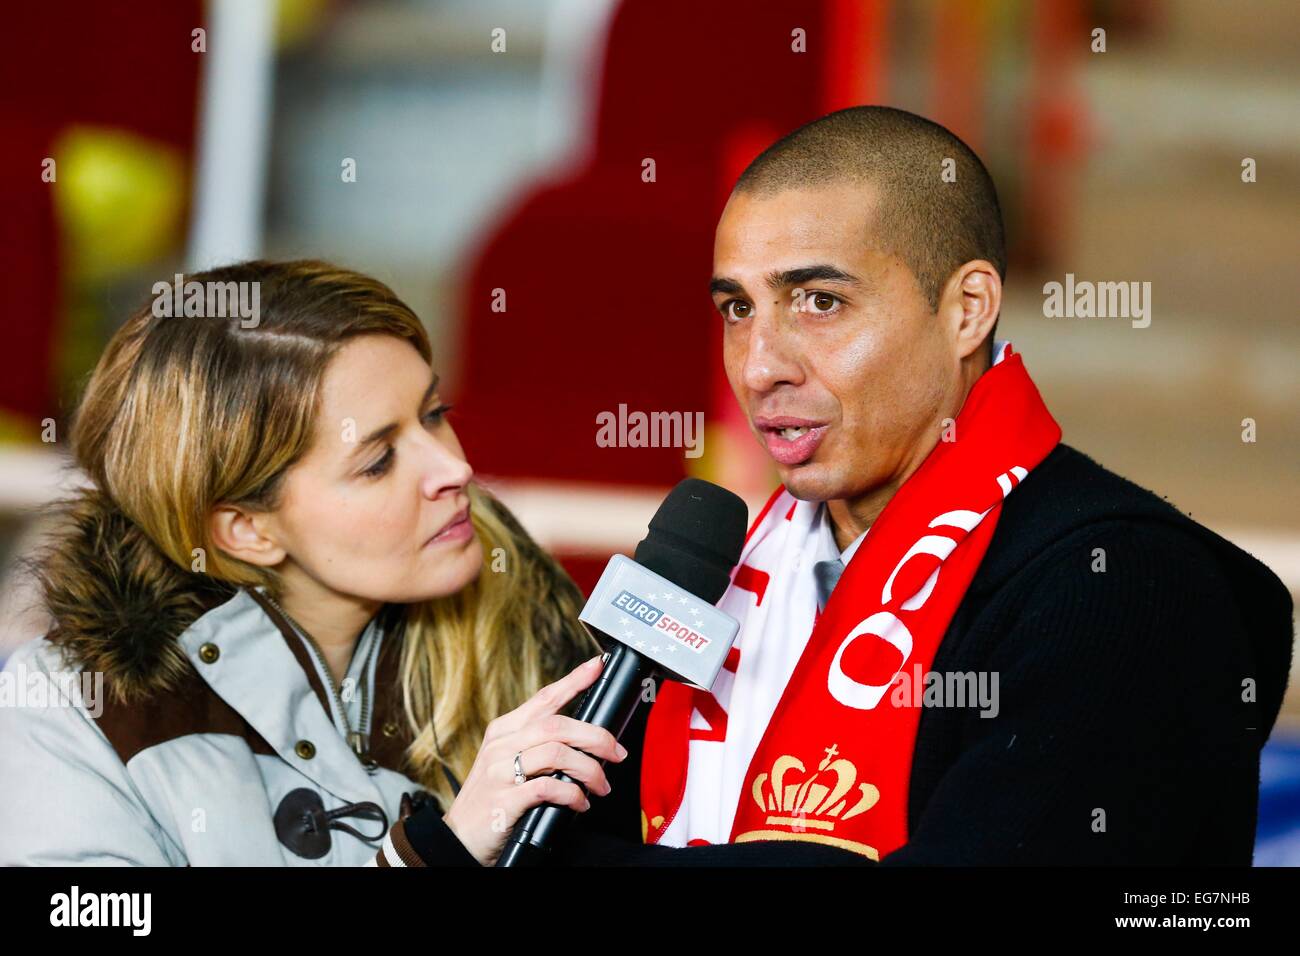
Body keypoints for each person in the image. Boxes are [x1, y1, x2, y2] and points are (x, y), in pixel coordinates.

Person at [401, 106, 1295, 866]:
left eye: (819, 302)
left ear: (968, 309)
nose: (759, 367)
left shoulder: (1127, 586)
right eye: (737, 308)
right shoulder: (719, 573)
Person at [0, 260, 628, 866]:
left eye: (435, 415)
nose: (453, 469)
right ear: (246, 530)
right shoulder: (71, 713)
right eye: (378, 461)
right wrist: (438, 857)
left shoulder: (550, 654)